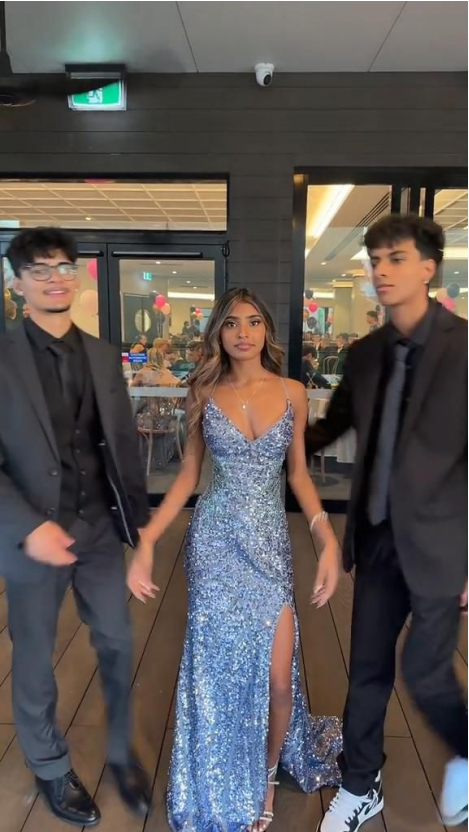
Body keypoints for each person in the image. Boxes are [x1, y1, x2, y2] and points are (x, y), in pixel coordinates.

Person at [128, 288, 342, 831]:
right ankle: (222, 776)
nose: (242, 332)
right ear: (218, 334)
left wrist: (326, 538)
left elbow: (298, 475)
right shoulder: (203, 391)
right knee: (217, 672)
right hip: (215, 545)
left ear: (266, 330)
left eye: (252, 322)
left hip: (269, 546)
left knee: (279, 681)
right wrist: (148, 538)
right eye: (230, 323)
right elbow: (187, 476)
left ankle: (266, 773)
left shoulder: (292, 392)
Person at [306, 215, 468, 832]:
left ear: (428, 267)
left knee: (423, 668)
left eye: (395, 258)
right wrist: (269, 435)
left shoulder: (464, 348)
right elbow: (332, 426)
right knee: (367, 670)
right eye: (374, 259)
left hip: (442, 546)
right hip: (376, 541)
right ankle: (360, 784)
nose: (380, 270)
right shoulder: (365, 354)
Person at [0, 227, 152, 827]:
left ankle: (120, 752)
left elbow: (121, 447)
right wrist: (26, 524)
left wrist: (140, 535)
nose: (54, 278)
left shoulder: (103, 355)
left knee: (116, 640)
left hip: (99, 531)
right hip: (32, 536)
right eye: (39, 269)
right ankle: (48, 763)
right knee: (35, 655)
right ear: (18, 283)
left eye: (64, 267)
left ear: (78, 275)